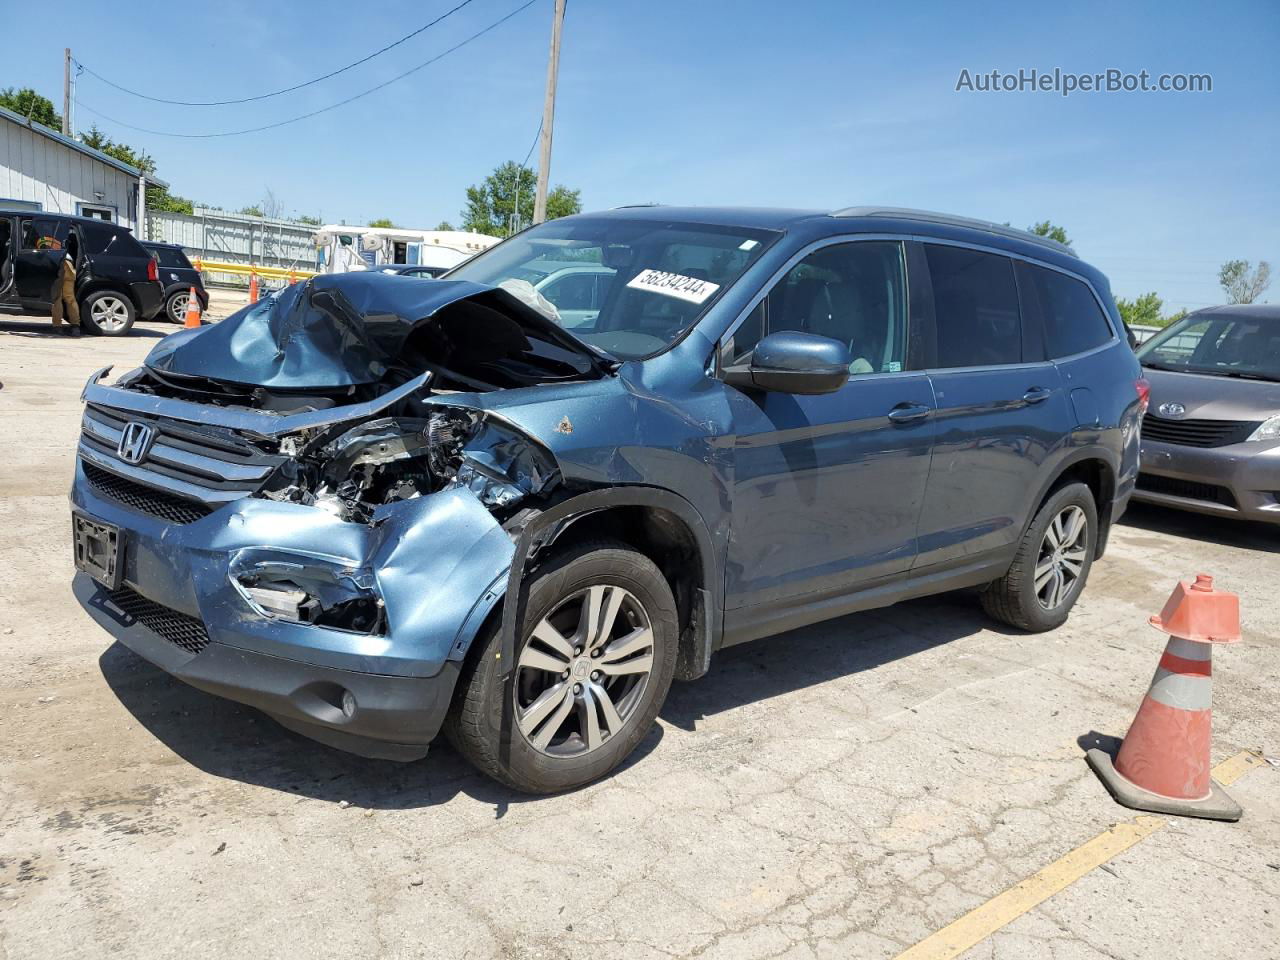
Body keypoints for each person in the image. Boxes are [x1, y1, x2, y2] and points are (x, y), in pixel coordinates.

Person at [50, 232, 81, 337]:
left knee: (57, 298)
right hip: (69, 264)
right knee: (70, 298)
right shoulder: (69, 235)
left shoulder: (50, 232)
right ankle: (75, 326)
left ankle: (57, 326)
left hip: (56, 263)